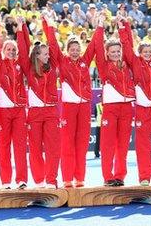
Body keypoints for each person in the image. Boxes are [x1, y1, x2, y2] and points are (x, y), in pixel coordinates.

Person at [43, 16, 103, 188]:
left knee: (82, 143)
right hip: (69, 107)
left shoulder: (85, 61)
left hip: (84, 107)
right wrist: (50, 27)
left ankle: (80, 178)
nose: (75, 52)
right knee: (67, 143)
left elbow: (92, 47)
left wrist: (99, 27)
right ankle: (67, 178)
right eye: (72, 49)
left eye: (78, 49)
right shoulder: (62, 62)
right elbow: (53, 45)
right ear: (68, 50)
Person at [118, 10, 151, 186]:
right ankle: (145, 177)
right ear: (139, 53)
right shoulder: (135, 62)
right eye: (145, 51)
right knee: (143, 145)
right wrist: (122, 27)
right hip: (142, 108)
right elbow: (125, 45)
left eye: (149, 51)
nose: (148, 53)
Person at [16, 17, 61, 189]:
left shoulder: (53, 64)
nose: (48, 55)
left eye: (48, 53)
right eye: (45, 54)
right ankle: (39, 180)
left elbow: (54, 46)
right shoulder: (29, 68)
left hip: (50, 111)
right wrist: (21, 29)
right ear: (37, 55)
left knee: (53, 149)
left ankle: (51, 180)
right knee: (34, 149)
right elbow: (22, 49)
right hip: (34, 113)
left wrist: (49, 25)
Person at [93, 15, 135, 187]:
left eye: (118, 51)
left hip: (126, 108)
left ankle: (120, 176)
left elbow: (129, 45)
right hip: (110, 109)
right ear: (107, 53)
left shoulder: (126, 63)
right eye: (113, 52)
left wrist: (122, 26)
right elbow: (96, 46)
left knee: (123, 145)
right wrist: (100, 27)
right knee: (108, 144)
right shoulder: (103, 66)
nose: (116, 53)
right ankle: (107, 177)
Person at [0, 13, 28, 189]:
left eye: (13, 50)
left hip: (19, 110)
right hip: (2, 110)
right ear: (3, 52)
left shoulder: (20, 64)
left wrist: (20, 29)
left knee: (20, 146)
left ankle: (21, 180)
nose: (11, 52)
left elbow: (25, 48)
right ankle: (5, 181)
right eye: (8, 49)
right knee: (3, 146)